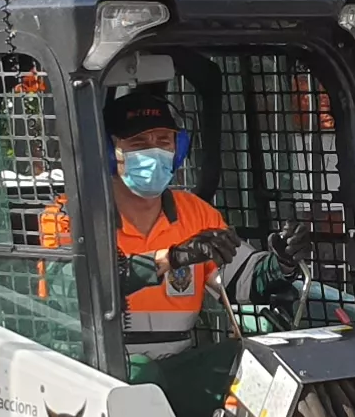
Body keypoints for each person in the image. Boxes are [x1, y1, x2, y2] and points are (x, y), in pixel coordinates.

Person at [43, 79, 234, 391]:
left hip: (178, 365)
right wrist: (169, 259)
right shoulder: (66, 217)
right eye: (139, 143)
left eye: (164, 141)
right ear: (107, 152)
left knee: (249, 363)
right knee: (143, 375)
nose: (154, 152)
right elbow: (71, 290)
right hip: (93, 371)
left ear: (178, 150)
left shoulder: (195, 212)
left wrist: (280, 263)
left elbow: (236, 274)